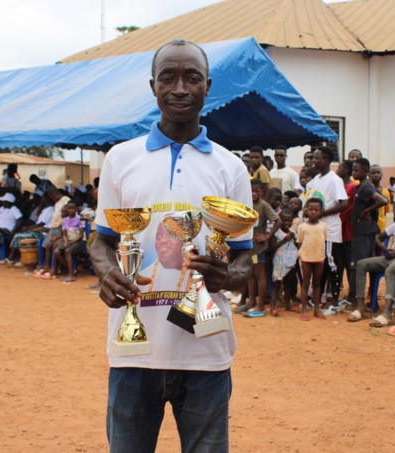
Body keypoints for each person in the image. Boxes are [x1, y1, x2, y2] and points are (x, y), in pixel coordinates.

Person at [90, 39, 253, 452]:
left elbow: (244, 252)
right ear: (153, 86)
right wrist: (108, 272)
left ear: (207, 86)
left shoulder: (230, 167)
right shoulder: (120, 159)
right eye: (168, 78)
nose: (179, 88)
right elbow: (102, 241)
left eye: (191, 78)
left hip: (206, 351)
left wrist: (228, 274)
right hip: (134, 352)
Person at [306, 147, 348, 315]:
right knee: (319, 264)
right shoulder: (316, 179)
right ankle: (320, 298)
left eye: (317, 158)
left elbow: (344, 203)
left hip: (330, 231)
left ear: (326, 161)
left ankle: (335, 302)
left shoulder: (335, 180)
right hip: (317, 231)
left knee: (332, 267)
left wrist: (324, 213)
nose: (313, 161)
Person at [346, 158, 388, 321]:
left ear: (365, 172)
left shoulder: (365, 187)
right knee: (365, 264)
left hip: (364, 231)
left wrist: (365, 211)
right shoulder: (362, 186)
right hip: (364, 230)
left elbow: (383, 201)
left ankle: (361, 305)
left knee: (361, 265)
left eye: (356, 170)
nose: (353, 172)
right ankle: (369, 302)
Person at [357, 208, 395, 328]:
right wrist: (385, 250)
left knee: (390, 270)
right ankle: (360, 307)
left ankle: (387, 312)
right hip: (390, 256)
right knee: (361, 264)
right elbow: (378, 238)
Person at [238, 178, 280, 317]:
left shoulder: (264, 206)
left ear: (262, 192)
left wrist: (266, 237)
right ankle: (251, 302)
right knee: (250, 274)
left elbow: (277, 221)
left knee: (260, 274)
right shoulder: (246, 205)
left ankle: (261, 305)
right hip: (247, 245)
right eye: (251, 190)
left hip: (258, 247)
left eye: (256, 191)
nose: (253, 193)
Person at [297, 197, 327, 321]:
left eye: (316, 209)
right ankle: (304, 310)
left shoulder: (323, 226)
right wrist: (303, 255)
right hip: (306, 258)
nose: (313, 212)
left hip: (319, 257)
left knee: (317, 284)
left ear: (321, 211)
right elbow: (300, 242)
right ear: (306, 211)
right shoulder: (302, 227)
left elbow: (324, 241)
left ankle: (316, 309)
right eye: (310, 209)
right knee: (305, 283)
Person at [2, 193, 54, 266]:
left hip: (44, 231)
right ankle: (14, 257)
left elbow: (41, 224)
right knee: (18, 235)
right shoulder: (45, 208)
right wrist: (41, 205)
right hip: (39, 229)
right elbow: (39, 214)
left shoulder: (50, 209)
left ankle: (13, 257)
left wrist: (28, 228)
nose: (41, 200)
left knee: (19, 236)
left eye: (42, 199)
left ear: (46, 199)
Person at [269, 208, 298, 316]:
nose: (287, 223)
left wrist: (293, 239)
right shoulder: (276, 233)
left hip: (290, 261)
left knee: (288, 284)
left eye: (289, 220)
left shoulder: (293, 233)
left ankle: (287, 305)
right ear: (280, 220)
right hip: (279, 261)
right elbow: (272, 247)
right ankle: (273, 307)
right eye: (284, 220)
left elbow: (297, 246)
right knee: (276, 284)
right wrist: (284, 240)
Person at [336, 160, 356, 307]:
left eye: (340, 167)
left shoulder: (353, 187)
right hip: (339, 231)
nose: (337, 170)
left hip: (349, 231)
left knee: (350, 265)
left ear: (348, 171)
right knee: (339, 263)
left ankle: (353, 294)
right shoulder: (340, 186)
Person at [53, 201, 86, 282]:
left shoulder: (80, 219)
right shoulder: (64, 220)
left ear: (76, 209)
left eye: (73, 208)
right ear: (67, 209)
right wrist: (66, 241)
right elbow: (64, 234)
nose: (71, 210)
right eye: (69, 208)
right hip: (69, 241)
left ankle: (71, 275)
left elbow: (81, 235)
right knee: (57, 251)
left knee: (68, 251)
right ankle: (71, 269)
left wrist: (71, 243)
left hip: (79, 241)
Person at [370, 164, 392, 234]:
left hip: (381, 227)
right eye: (373, 173)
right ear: (368, 174)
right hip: (369, 227)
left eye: (378, 172)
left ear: (382, 174)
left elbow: (385, 212)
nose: (376, 175)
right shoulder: (367, 190)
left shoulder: (386, 192)